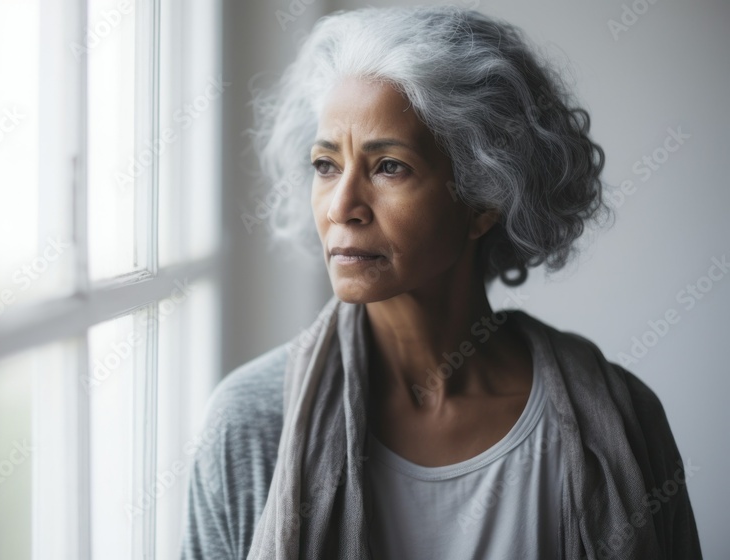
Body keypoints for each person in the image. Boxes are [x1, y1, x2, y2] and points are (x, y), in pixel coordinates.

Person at [181, 6, 701, 560]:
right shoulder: (251, 424)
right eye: (326, 164)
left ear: (484, 199)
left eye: (388, 167)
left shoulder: (620, 420)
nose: (342, 206)